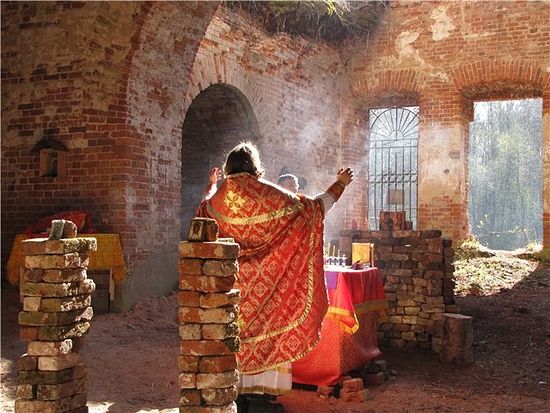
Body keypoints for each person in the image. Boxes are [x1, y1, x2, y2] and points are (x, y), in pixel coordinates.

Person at [197, 142, 353, 412]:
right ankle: (260, 397)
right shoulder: (269, 194)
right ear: (255, 166)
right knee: (270, 332)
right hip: (269, 286)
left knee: (232, 335)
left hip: (230, 287)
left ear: (228, 168)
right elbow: (314, 209)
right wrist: (339, 183)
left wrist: (211, 185)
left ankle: (236, 393)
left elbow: (201, 212)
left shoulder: (218, 198)